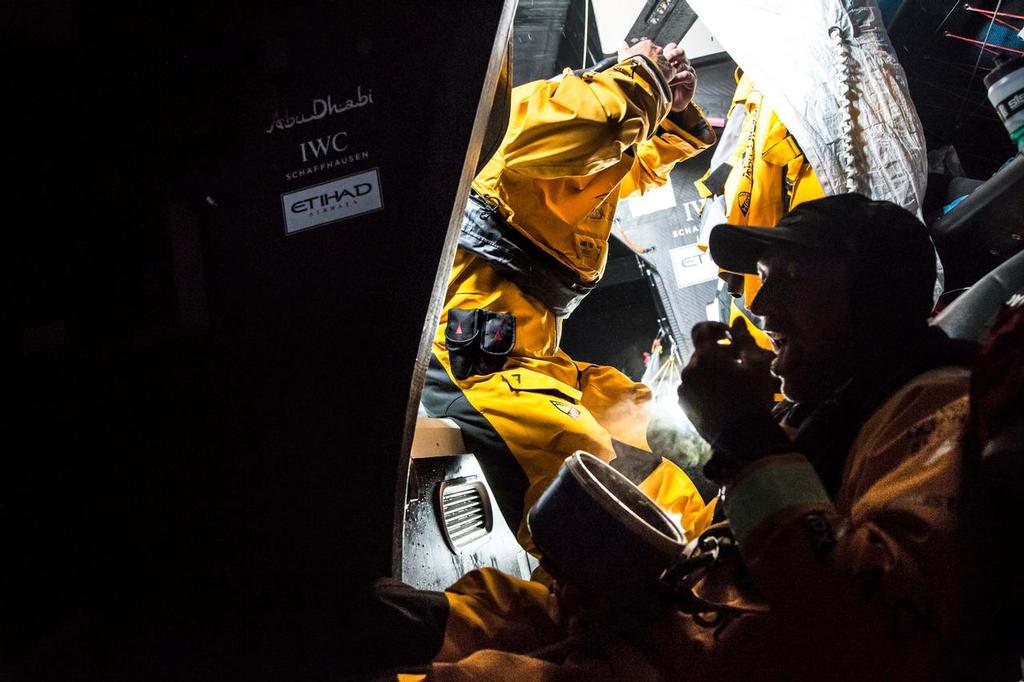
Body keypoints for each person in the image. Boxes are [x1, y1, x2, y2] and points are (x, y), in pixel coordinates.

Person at [374, 193, 1016, 681]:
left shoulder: (936, 408)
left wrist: (746, 435)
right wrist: (442, 623)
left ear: (872, 294)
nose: (761, 308)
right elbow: (670, 586)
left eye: (789, 277)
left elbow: (876, 631)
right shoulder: (818, 429)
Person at [420, 39, 718, 553]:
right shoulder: (526, 117)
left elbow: (625, 164)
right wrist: (645, 72)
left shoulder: (579, 155)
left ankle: (726, 529)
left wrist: (671, 116)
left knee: (639, 416)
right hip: (472, 370)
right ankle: (680, 590)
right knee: (588, 469)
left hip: (535, 360)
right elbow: (598, 126)